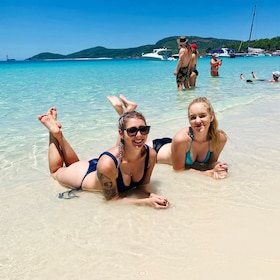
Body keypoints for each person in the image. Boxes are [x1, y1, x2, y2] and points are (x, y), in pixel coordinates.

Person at [37, 107, 169, 209]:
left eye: (143, 129)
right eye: (132, 131)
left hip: (103, 167)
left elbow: (141, 187)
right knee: (56, 171)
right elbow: (112, 200)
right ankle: (54, 133)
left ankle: (59, 134)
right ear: (121, 134)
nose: (139, 135)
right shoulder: (107, 164)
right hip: (85, 176)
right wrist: (146, 202)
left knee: (74, 163)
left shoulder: (150, 155)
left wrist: (151, 196)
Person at [108, 95, 228, 180]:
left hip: (174, 146)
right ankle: (124, 114)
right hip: (159, 148)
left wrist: (218, 167)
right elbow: (178, 170)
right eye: (193, 117)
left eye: (202, 116)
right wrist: (208, 173)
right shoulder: (182, 139)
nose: (197, 121)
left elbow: (210, 163)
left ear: (211, 117)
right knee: (121, 155)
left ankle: (128, 111)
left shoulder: (219, 138)